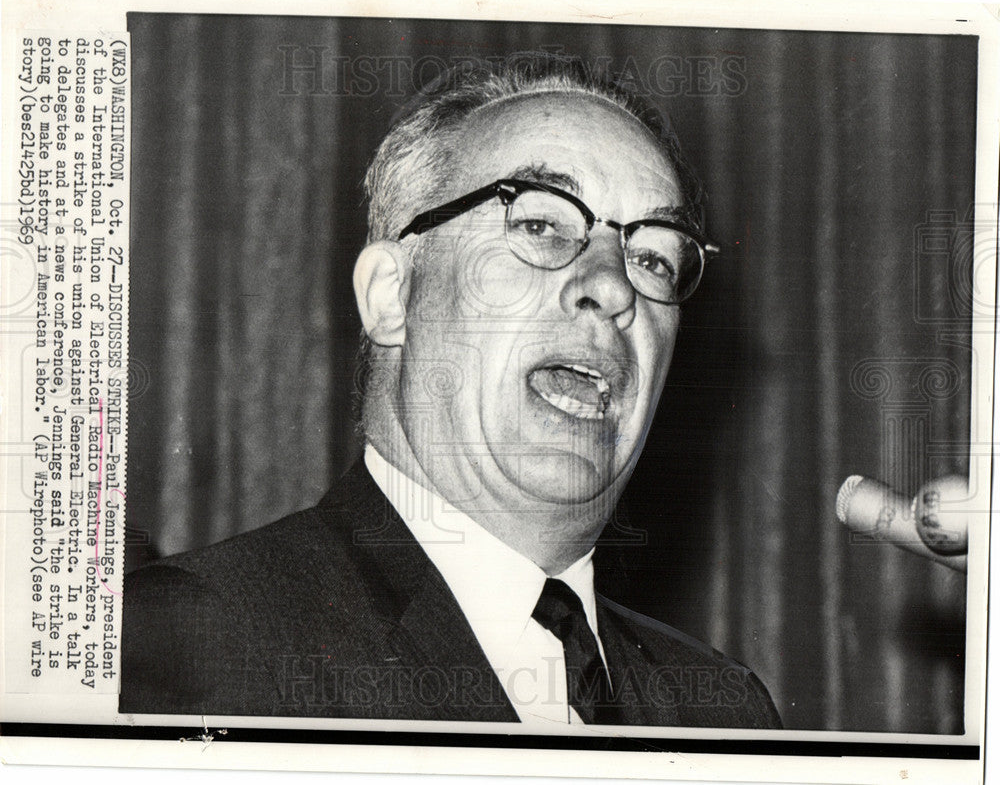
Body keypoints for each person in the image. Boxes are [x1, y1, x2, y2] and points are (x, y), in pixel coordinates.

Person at [120, 53, 781, 728]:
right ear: (391, 295)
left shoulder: (728, 710)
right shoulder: (201, 641)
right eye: (540, 225)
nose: (613, 287)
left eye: (654, 258)